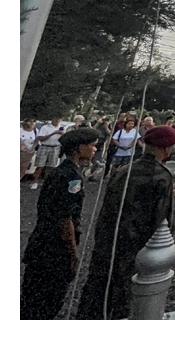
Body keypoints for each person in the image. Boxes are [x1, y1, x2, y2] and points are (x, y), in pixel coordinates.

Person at [77, 125, 175, 320]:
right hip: (138, 248)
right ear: (166, 149)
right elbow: (165, 223)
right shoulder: (164, 177)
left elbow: (107, 209)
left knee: (97, 293)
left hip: (108, 243)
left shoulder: (123, 170)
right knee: (129, 301)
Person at [21, 128, 99, 319]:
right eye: (92, 146)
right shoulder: (71, 177)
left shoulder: (60, 171)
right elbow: (66, 219)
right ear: (79, 148)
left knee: (31, 298)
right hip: (54, 249)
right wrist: (73, 253)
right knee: (47, 302)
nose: (95, 150)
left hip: (41, 244)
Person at [30, 116, 66, 190]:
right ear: (53, 119)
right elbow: (41, 138)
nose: (57, 121)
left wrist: (63, 134)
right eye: (56, 119)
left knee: (51, 167)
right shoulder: (45, 127)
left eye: (59, 119)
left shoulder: (62, 127)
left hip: (55, 147)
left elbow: (64, 139)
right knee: (40, 166)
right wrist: (52, 134)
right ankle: (35, 182)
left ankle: (46, 182)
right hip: (45, 146)